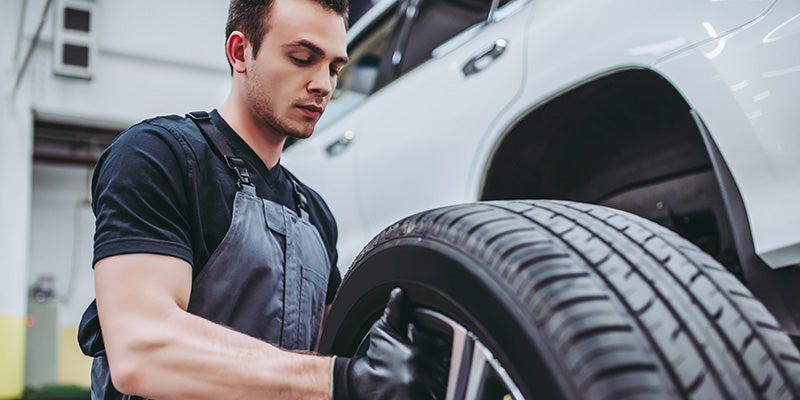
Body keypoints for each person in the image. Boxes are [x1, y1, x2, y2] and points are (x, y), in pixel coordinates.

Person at [76, 0, 449, 398]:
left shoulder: (314, 213)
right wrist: (340, 380)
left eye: (334, 68)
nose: (324, 84)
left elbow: (331, 349)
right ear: (240, 52)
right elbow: (141, 350)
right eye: (303, 58)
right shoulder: (159, 157)